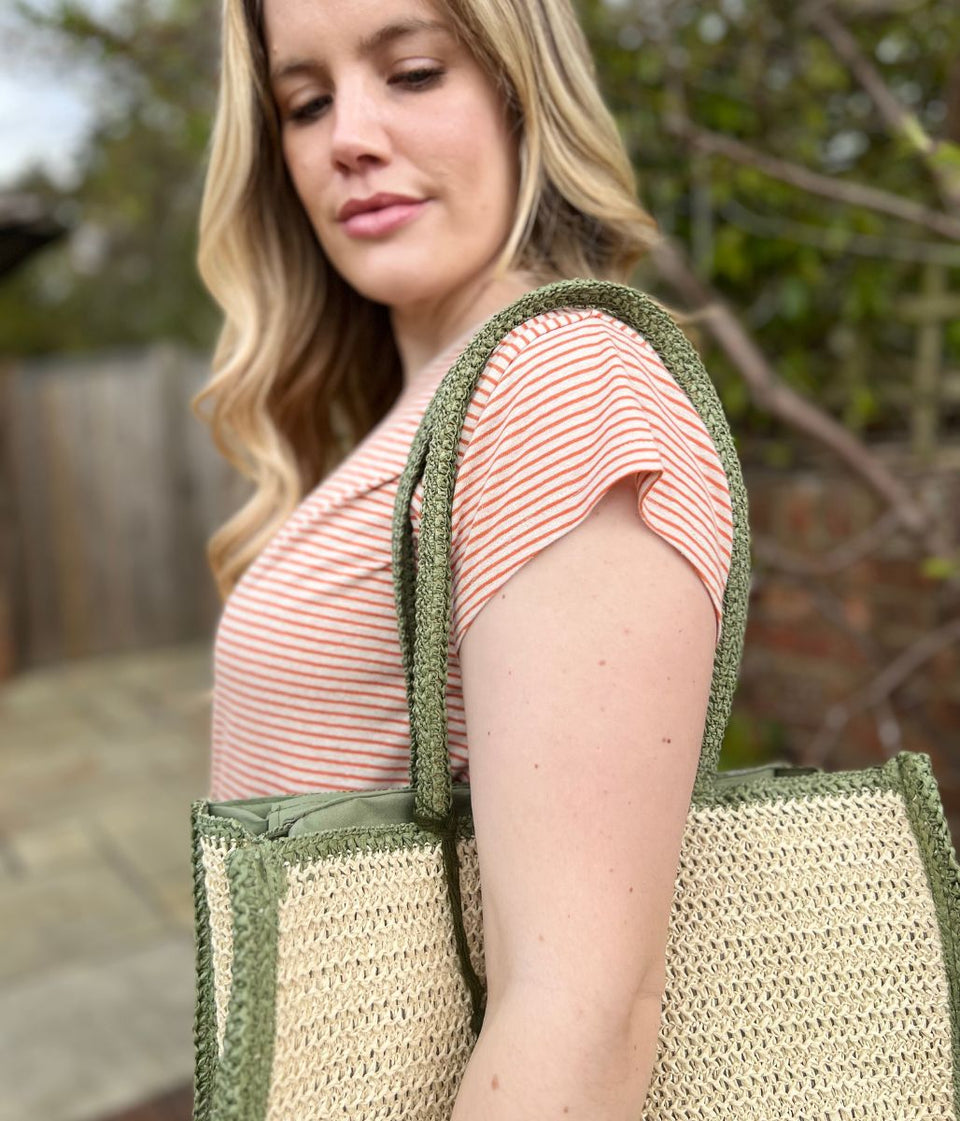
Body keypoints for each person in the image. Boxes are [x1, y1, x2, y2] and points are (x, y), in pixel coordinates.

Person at [192, 0, 733, 1116]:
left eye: (415, 72)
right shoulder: (430, 406)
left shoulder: (558, 381)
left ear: (520, 90)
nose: (347, 135)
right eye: (304, 101)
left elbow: (582, 1011)